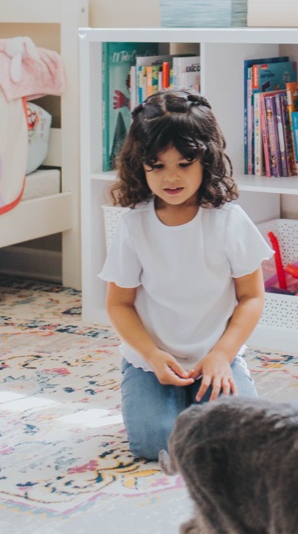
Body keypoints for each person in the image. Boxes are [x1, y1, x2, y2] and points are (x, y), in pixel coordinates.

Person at [101, 89, 268, 460]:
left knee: (240, 438)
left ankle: (199, 399)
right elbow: (119, 304)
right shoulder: (133, 226)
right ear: (139, 166)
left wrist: (223, 354)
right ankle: (172, 402)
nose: (170, 178)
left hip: (215, 354)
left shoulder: (228, 221)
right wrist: (151, 355)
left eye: (184, 163)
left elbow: (251, 297)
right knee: (154, 442)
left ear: (205, 160)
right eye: (157, 166)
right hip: (151, 359)